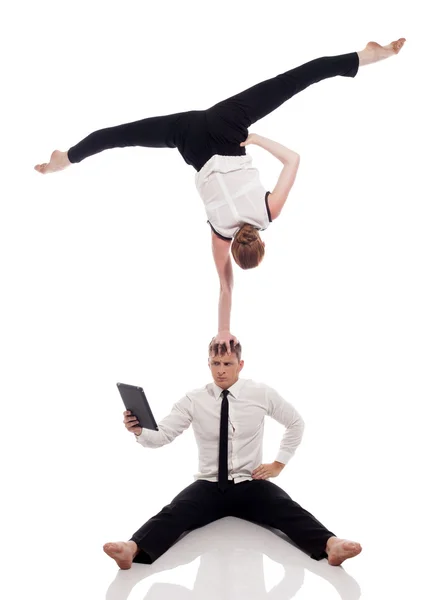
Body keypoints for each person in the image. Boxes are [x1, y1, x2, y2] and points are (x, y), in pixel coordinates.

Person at [35, 39, 405, 352]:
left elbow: (293, 160)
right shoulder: (219, 235)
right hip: (192, 139)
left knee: (295, 79)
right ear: (236, 248)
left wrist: (256, 138)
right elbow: (225, 286)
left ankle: (370, 55)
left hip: (228, 126)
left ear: (260, 241)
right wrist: (223, 331)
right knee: (119, 135)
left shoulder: (268, 211)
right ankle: (64, 159)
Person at [103, 339, 362, 570]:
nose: (221, 369)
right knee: (174, 511)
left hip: (249, 482)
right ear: (208, 364)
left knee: (286, 507)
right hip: (210, 484)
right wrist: (139, 431)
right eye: (215, 363)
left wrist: (278, 464)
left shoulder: (260, 393)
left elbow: (296, 423)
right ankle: (131, 549)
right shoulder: (193, 399)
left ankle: (331, 545)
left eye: (227, 363)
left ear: (241, 364)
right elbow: (162, 436)